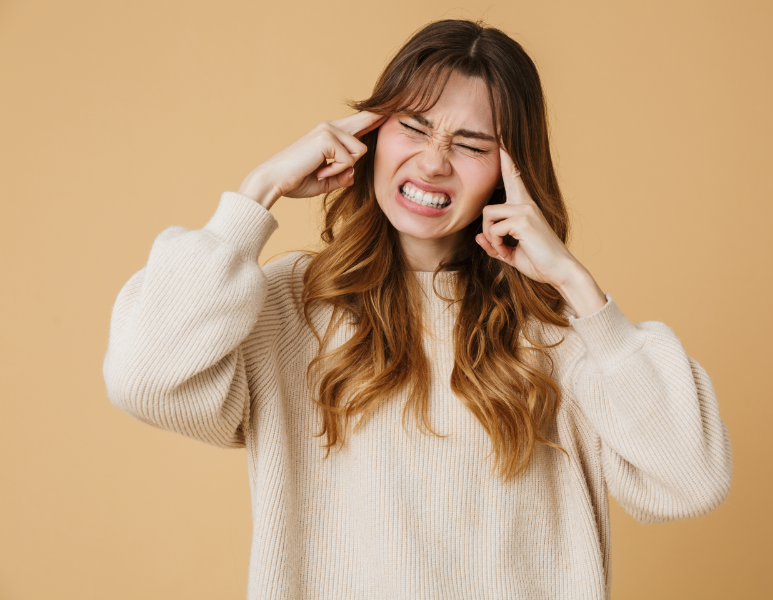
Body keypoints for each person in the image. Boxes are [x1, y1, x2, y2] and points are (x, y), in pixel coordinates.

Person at [103, 18, 732, 600]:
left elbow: (688, 481)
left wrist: (574, 283)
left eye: (471, 144)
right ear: (371, 135)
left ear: (510, 174)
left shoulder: (560, 334)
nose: (433, 162)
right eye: (414, 127)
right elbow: (146, 377)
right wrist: (258, 192)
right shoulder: (291, 305)